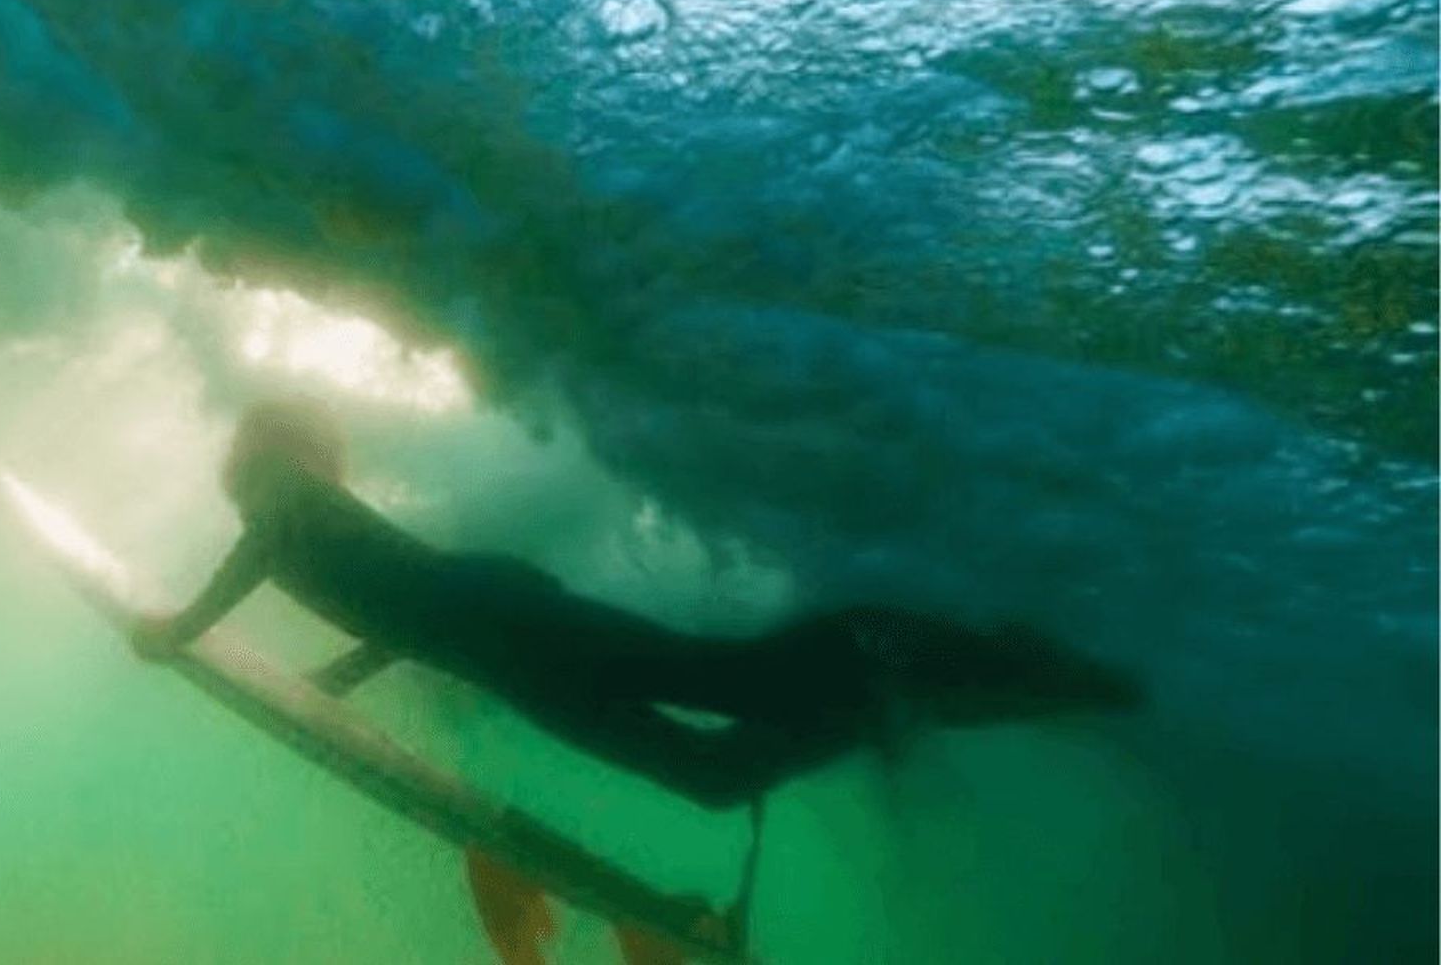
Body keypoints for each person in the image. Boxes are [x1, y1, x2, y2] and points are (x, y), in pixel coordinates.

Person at [120, 398, 1142, 964]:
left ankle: (883, 648)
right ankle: (917, 691)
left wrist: (180, 627)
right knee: (714, 766)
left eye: (248, 450)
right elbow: (398, 614)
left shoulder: (281, 494)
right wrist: (335, 676)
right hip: (501, 635)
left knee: (727, 689)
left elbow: (269, 545)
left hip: (514, 630)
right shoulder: (311, 516)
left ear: (269, 447)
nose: (235, 464)